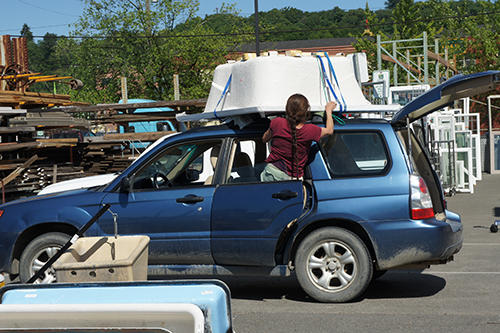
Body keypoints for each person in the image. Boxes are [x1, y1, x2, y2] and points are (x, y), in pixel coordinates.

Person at [261, 94, 335, 182]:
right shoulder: (311, 130)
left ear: (287, 109)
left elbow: (264, 139)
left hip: (271, 173)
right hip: (292, 180)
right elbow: (330, 130)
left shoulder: (277, 122)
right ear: (306, 111)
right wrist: (328, 111)